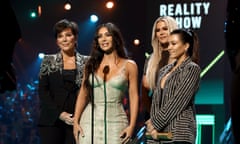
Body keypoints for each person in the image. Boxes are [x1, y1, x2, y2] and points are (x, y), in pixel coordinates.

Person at [73, 22, 139, 144]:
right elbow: (83, 93)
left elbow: (134, 97)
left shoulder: (130, 65)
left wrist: (132, 126)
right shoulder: (90, 64)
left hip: (116, 122)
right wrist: (76, 122)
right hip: (88, 123)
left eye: (107, 35)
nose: (103, 39)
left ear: (115, 38)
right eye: (100, 36)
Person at [145, 28, 201, 144]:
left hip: (179, 133)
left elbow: (178, 101)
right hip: (158, 135)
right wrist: (153, 130)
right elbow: (156, 101)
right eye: (169, 44)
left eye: (174, 44)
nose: (169, 47)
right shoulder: (164, 70)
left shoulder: (191, 68)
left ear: (186, 46)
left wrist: (154, 123)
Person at [37, 19, 89, 144]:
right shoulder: (48, 61)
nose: (64, 39)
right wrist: (60, 114)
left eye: (68, 35)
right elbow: (43, 92)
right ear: (56, 41)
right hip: (51, 121)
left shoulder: (87, 62)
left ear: (75, 38)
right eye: (60, 36)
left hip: (78, 120)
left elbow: (89, 92)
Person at [141, 16, 178, 121]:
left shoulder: (181, 57)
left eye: (165, 29)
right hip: (153, 116)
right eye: (158, 30)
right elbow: (144, 91)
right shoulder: (151, 60)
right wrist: (153, 115)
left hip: (176, 117)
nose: (161, 32)